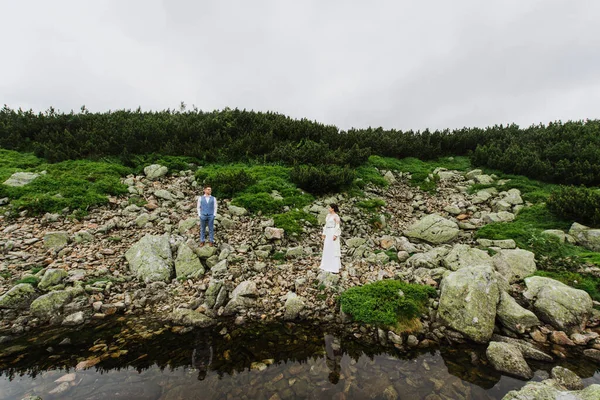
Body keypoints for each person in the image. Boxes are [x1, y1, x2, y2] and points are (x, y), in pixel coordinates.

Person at [319, 203, 341, 273]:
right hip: (328, 232)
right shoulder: (328, 215)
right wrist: (324, 233)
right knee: (327, 247)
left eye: (330, 207)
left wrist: (335, 235)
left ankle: (333, 266)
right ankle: (326, 264)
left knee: (333, 248)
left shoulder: (336, 216)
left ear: (333, 209)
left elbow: (337, 226)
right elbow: (326, 225)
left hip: (332, 232)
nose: (328, 209)